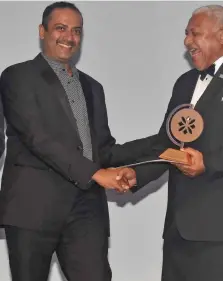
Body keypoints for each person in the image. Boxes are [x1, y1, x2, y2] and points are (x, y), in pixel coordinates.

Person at [118, 4, 223, 281]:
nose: (187, 41)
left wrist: (209, 163)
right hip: (180, 233)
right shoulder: (184, 83)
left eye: (195, 34)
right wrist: (136, 174)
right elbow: (168, 145)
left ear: (222, 36)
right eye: (186, 34)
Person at [0, 2, 157, 281]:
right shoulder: (17, 77)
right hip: (32, 208)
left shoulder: (93, 87)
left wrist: (161, 143)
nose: (69, 37)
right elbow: (38, 137)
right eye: (60, 28)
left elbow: (105, 151)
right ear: (42, 31)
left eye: (76, 31)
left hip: (86, 209)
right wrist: (96, 174)